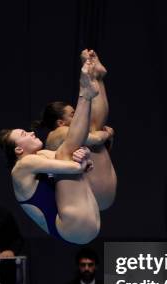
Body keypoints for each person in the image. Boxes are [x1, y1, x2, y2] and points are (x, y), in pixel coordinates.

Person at [0, 56, 101, 244]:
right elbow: (73, 167)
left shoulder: (40, 156)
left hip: (86, 223)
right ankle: (85, 95)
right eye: (24, 134)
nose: (30, 132)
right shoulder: (23, 166)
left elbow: (83, 164)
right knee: (65, 152)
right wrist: (80, 161)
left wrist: (85, 156)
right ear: (18, 149)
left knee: (67, 152)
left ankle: (87, 95)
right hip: (73, 227)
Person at [34, 49, 117, 211]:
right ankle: (96, 76)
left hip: (101, 193)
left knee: (92, 128)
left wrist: (105, 138)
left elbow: (100, 150)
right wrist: (107, 134)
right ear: (60, 122)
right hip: (91, 198)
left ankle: (96, 76)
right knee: (92, 128)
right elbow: (95, 138)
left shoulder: (67, 133)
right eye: (73, 114)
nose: (80, 114)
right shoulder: (56, 135)